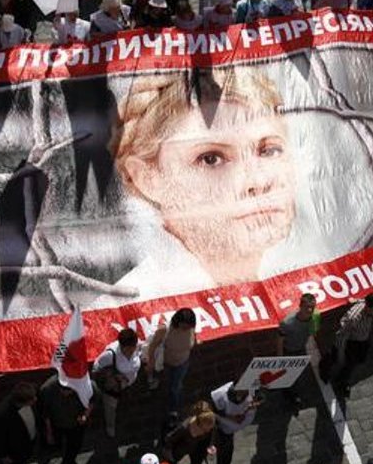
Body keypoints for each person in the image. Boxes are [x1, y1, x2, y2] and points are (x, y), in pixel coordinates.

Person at [110, 67, 296, 294]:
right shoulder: (126, 309)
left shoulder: (308, 280)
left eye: (268, 150)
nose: (257, 181)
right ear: (148, 178)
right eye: (211, 159)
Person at [143, 308, 197, 417]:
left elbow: (192, 340)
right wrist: (151, 362)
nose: (186, 329)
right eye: (184, 327)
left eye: (188, 327)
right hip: (166, 364)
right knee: (167, 386)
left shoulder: (191, 329)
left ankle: (173, 410)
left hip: (182, 363)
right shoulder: (165, 330)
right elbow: (152, 346)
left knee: (176, 387)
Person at [329, 295, 373, 398]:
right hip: (352, 343)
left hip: (363, 338)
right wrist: (341, 353)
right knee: (349, 365)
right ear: (368, 307)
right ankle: (341, 381)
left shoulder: (367, 306)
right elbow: (341, 336)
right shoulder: (353, 318)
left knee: (359, 360)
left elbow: (360, 299)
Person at [39, 373, 93, 464]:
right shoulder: (47, 390)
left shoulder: (84, 384)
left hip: (76, 425)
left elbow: (93, 399)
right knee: (57, 443)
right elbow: (45, 413)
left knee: (75, 445)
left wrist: (85, 416)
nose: (66, 395)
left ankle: (69, 462)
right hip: (57, 424)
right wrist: (49, 433)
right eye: (64, 391)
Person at [92, 328, 143, 438]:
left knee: (124, 405)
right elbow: (96, 369)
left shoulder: (137, 346)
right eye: (128, 349)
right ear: (122, 346)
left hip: (128, 384)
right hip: (113, 388)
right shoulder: (110, 355)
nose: (132, 351)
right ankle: (110, 427)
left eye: (133, 347)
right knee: (110, 408)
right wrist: (113, 376)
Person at [161, 400, 216, 464]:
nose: (208, 430)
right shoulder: (184, 428)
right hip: (180, 449)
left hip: (198, 449)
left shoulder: (209, 424)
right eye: (206, 429)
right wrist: (168, 452)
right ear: (199, 424)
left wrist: (210, 446)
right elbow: (170, 438)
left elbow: (210, 436)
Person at [0, 381, 39, 464]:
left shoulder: (29, 399)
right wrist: (4, 456)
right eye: (32, 399)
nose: (36, 400)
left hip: (29, 441)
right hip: (15, 449)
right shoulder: (2, 414)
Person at [209, 381, 259, 464]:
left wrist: (252, 405)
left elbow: (258, 397)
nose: (244, 394)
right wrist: (231, 417)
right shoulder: (221, 395)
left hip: (239, 419)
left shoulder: (251, 389)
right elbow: (214, 410)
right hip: (224, 424)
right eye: (241, 392)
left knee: (227, 445)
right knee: (225, 445)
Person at [277, 293, 319, 408]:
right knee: (288, 374)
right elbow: (280, 340)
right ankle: (289, 393)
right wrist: (280, 358)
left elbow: (313, 333)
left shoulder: (314, 317)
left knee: (297, 374)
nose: (310, 310)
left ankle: (293, 392)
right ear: (300, 306)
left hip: (301, 349)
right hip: (289, 351)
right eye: (307, 307)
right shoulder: (287, 322)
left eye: (312, 307)